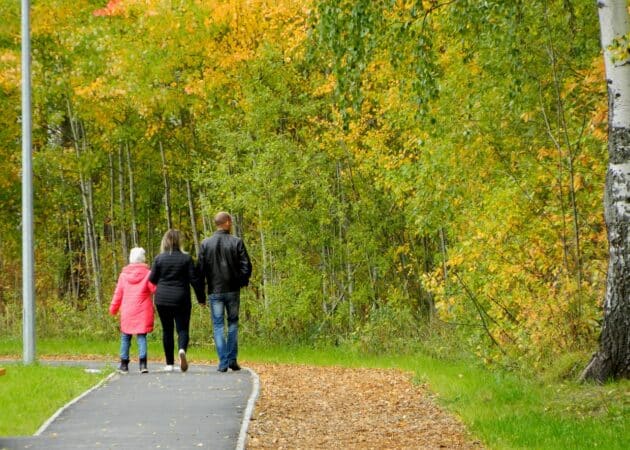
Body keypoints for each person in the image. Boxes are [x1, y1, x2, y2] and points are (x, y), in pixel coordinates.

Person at [197, 212, 252, 372]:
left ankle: (223, 362)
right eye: (231, 221)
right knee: (233, 323)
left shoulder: (206, 244)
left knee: (218, 325)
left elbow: (200, 271)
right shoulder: (236, 242)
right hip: (232, 289)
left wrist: (201, 295)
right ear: (227, 222)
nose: (232, 223)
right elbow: (246, 265)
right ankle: (231, 359)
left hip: (215, 290)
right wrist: (242, 281)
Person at [149, 229, 203, 372]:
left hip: (162, 299)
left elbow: (152, 279)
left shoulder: (159, 258)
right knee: (182, 328)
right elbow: (195, 280)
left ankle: (169, 364)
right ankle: (182, 350)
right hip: (181, 298)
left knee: (167, 330)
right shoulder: (186, 259)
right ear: (179, 242)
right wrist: (201, 298)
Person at [109, 247, 156, 374]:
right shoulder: (148, 274)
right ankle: (143, 364)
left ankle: (124, 364)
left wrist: (113, 308)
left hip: (128, 311)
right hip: (143, 310)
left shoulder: (123, 276)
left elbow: (118, 294)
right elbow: (154, 289)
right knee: (142, 337)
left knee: (125, 337)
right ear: (143, 259)